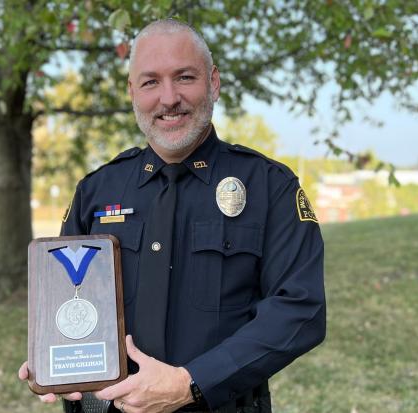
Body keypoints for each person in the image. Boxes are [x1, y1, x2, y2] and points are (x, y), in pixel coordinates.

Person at [18, 18, 326, 413]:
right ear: (132, 92)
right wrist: (53, 361)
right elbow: (69, 303)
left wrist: (191, 383)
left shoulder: (271, 187)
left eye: (184, 77)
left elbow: (301, 309)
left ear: (213, 83)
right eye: (150, 82)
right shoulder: (96, 192)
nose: (168, 98)